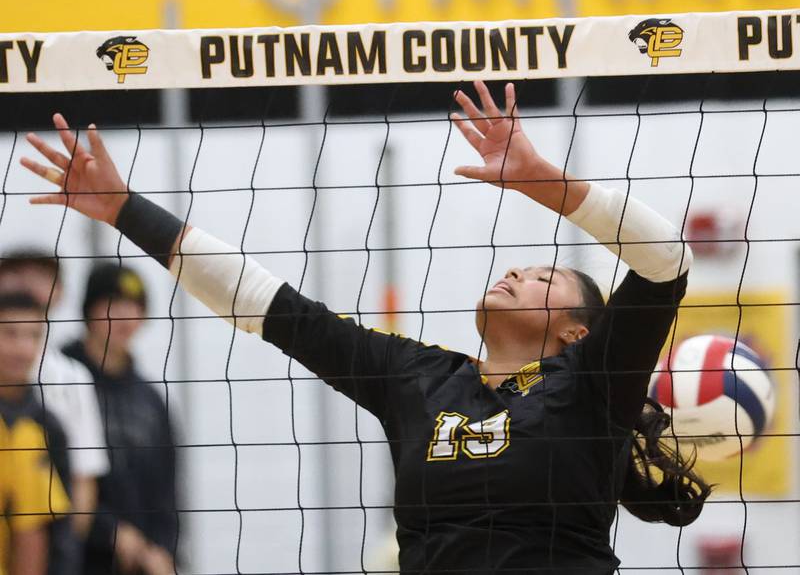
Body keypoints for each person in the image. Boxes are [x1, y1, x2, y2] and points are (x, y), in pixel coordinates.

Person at [20, 81, 710, 574]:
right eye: (521, 265)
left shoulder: (592, 384)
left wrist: (546, 185)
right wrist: (124, 209)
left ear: (577, 332)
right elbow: (266, 304)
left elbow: (665, 263)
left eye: (543, 277)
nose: (516, 273)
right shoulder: (420, 378)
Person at [58, 263, 178, 575]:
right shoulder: (59, 380)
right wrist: (108, 531)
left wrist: (164, 550)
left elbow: (167, 491)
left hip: (141, 564)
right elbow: (55, 474)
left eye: (135, 307)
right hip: (73, 558)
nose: (125, 316)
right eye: (113, 304)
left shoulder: (151, 399)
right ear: (89, 311)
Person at [0, 250, 110, 543]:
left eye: (40, 276)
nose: (28, 284)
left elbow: (84, 477)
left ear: (59, 292)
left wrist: (64, 557)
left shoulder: (72, 376)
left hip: (44, 539)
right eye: (17, 274)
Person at [0, 292, 74, 575]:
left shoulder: (43, 429)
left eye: (32, 336)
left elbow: (37, 531)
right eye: (10, 334)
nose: (22, 348)